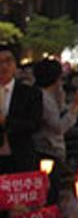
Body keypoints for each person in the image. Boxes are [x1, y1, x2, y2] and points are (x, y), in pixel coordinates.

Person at [0, 44, 43, 174]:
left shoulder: (30, 93)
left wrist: (6, 121)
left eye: (8, 61)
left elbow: (35, 124)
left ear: (15, 65)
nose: (4, 66)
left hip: (20, 158)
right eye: (0, 62)